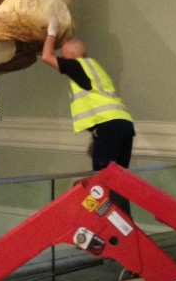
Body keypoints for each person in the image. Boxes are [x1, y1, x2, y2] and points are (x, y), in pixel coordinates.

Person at [40, 17, 135, 211]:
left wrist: (51, 32)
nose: (62, 54)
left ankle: (107, 223)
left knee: (101, 181)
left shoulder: (76, 66)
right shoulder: (95, 68)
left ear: (73, 54)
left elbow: (46, 57)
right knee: (119, 181)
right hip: (124, 125)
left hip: (108, 127)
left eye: (65, 51)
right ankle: (126, 226)